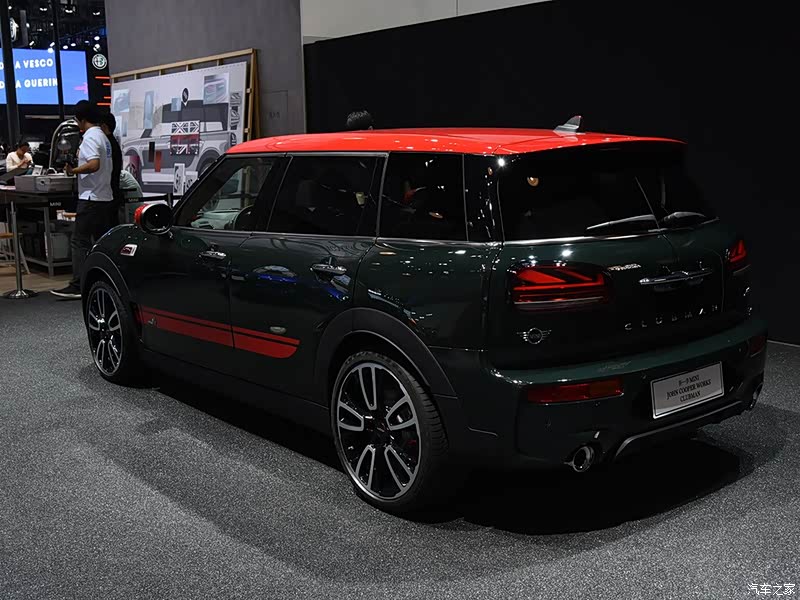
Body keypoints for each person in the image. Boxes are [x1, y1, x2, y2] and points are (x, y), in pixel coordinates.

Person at [51, 101, 114, 299]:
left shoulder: (90, 137)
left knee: (79, 241)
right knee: (100, 243)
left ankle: (78, 284)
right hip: (104, 196)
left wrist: (73, 170)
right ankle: (103, 281)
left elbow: (94, 164)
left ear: (82, 120)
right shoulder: (103, 136)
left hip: (91, 197)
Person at [99, 112, 123, 226]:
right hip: (113, 192)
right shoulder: (112, 143)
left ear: (104, 126)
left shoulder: (107, 144)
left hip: (108, 194)